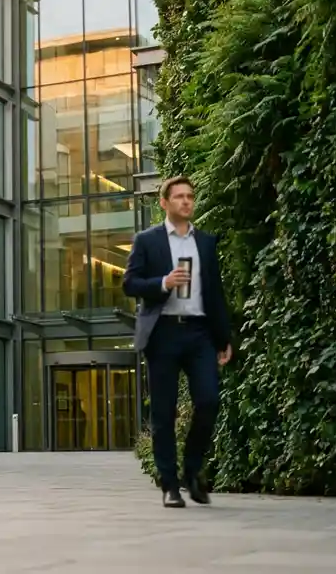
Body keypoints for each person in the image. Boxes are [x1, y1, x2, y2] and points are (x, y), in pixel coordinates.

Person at [123, 176, 232, 508]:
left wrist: (223, 338)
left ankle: (193, 470)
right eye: (179, 196)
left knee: (209, 401)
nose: (186, 201)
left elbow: (215, 293)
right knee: (163, 412)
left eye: (190, 196)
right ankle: (170, 485)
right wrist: (163, 282)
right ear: (164, 203)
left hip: (199, 332)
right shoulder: (147, 240)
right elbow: (130, 283)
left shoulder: (206, 242)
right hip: (163, 332)